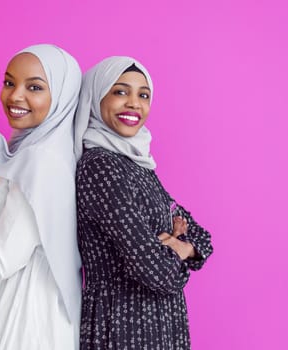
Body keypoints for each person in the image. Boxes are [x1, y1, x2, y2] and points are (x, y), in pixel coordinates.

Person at [74, 57, 213, 349]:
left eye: (143, 95)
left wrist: (179, 245)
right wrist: (172, 245)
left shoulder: (139, 166)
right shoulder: (101, 167)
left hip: (160, 323)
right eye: (120, 91)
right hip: (123, 324)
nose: (134, 103)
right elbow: (156, 271)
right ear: (97, 96)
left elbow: (202, 239)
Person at [0, 44, 82, 349]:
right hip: (27, 315)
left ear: (63, 97)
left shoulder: (41, 161)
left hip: (21, 323)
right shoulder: (39, 151)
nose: (15, 96)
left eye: (35, 87)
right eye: (9, 82)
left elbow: (0, 261)